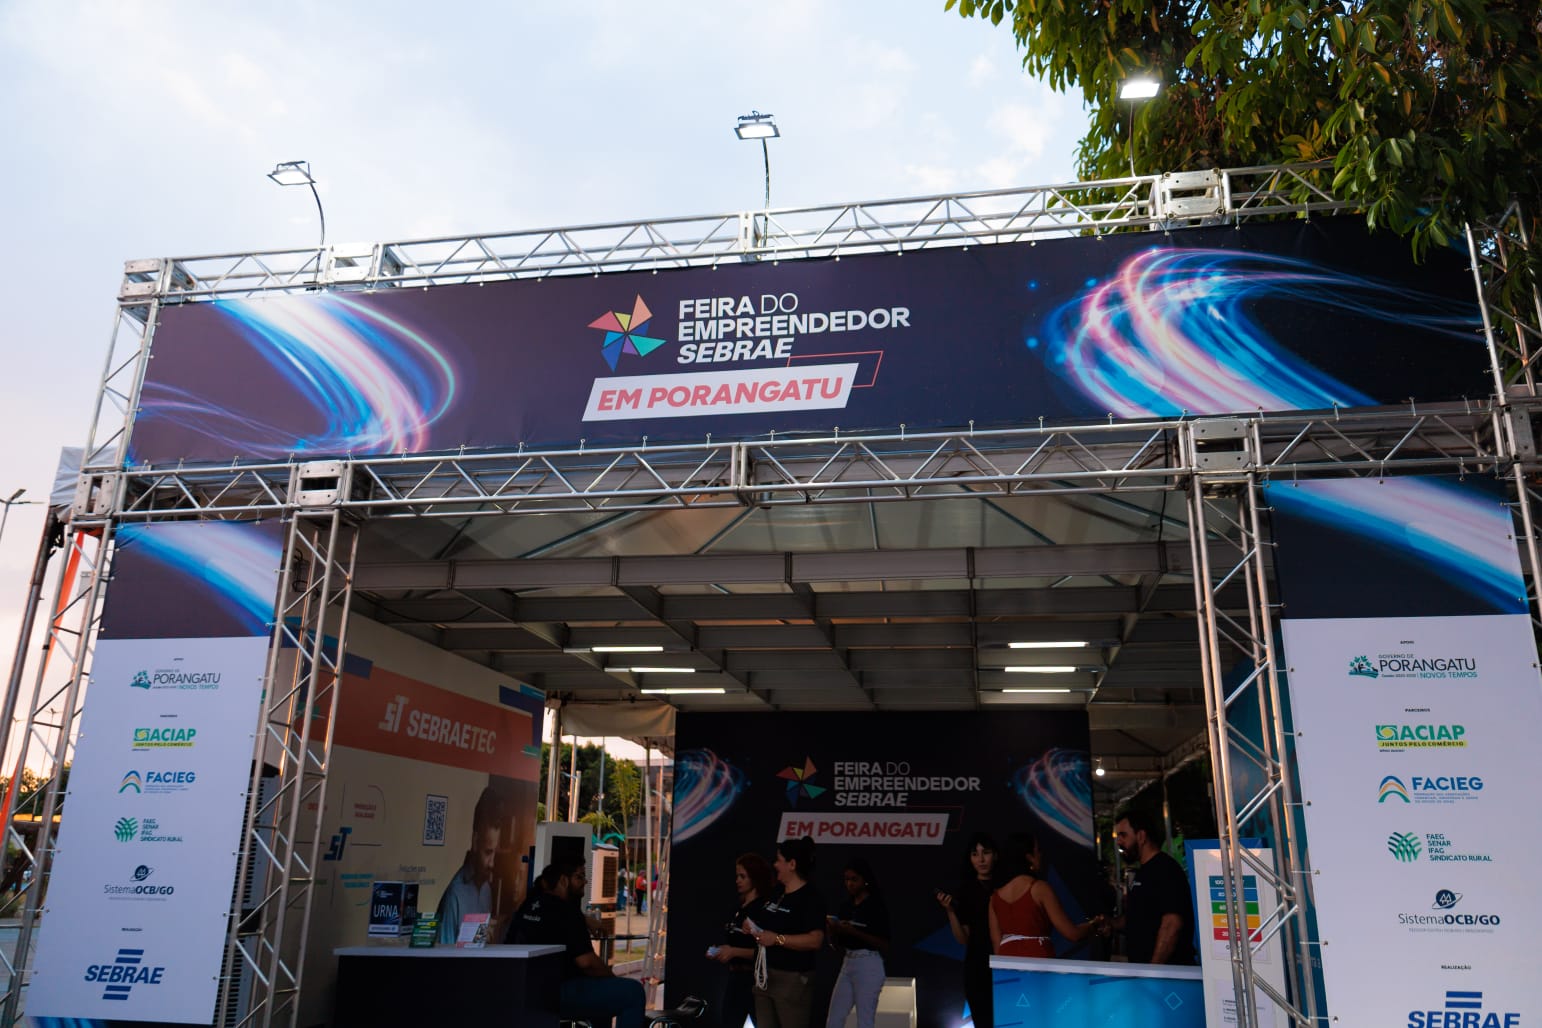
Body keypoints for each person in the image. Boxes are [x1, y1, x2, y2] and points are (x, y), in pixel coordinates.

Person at [512, 857, 646, 1028]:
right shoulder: (568, 911)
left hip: (525, 990)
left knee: (603, 995)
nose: (585, 881)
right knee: (633, 993)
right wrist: (611, 979)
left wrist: (584, 919)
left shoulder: (529, 904)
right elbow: (587, 963)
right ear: (563, 880)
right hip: (558, 991)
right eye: (580, 876)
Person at [745, 836, 826, 1028]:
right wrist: (752, 926)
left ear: (792, 864)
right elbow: (767, 922)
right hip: (765, 975)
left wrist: (777, 939)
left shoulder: (810, 898)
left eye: (779, 860)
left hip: (791, 979)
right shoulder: (777, 892)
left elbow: (815, 940)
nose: (775, 865)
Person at [988, 831, 1102, 958]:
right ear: (1029, 858)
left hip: (1007, 966)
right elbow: (1072, 933)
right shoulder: (1039, 889)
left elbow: (997, 946)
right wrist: (1095, 925)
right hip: (1038, 961)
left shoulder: (994, 898)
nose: (1041, 855)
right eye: (1038, 850)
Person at [1105, 808, 1195, 965]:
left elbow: (1172, 923)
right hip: (1145, 971)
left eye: (1123, 835)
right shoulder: (1143, 871)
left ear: (1141, 836)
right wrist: (1111, 923)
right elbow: (1138, 917)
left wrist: (1154, 970)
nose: (1119, 842)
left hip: (1168, 973)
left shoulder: (1165, 869)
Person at [935, 832, 998, 1028]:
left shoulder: (1006, 886)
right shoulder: (965, 891)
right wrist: (950, 912)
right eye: (975, 854)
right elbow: (963, 939)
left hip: (1005, 960)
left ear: (996, 855)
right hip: (978, 965)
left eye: (986, 853)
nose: (981, 859)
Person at [709, 852, 775, 1028]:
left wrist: (734, 952)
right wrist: (722, 950)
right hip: (735, 977)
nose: (738, 880)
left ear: (755, 878)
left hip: (755, 979)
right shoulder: (739, 908)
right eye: (737, 876)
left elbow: (767, 950)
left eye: (743, 876)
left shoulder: (762, 909)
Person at [824, 858, 890, 1028]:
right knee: (834, 1020)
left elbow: (884, 943)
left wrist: (855, 932)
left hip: (868, 962)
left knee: (865, 1021)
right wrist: (832, 930)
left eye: (854, 879)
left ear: (864, 880)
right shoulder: (846, 906)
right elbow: (836, 945)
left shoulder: (875, 906)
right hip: (848, 962)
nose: (850, 884)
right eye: (846, 879)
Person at [434, 786, 504, 944]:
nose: (492, 863)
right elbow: (445, 951)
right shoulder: (455, 894)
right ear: (475, 841)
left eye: (495, 853)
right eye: (488, 852)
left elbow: (475, 944)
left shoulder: (486, 890)